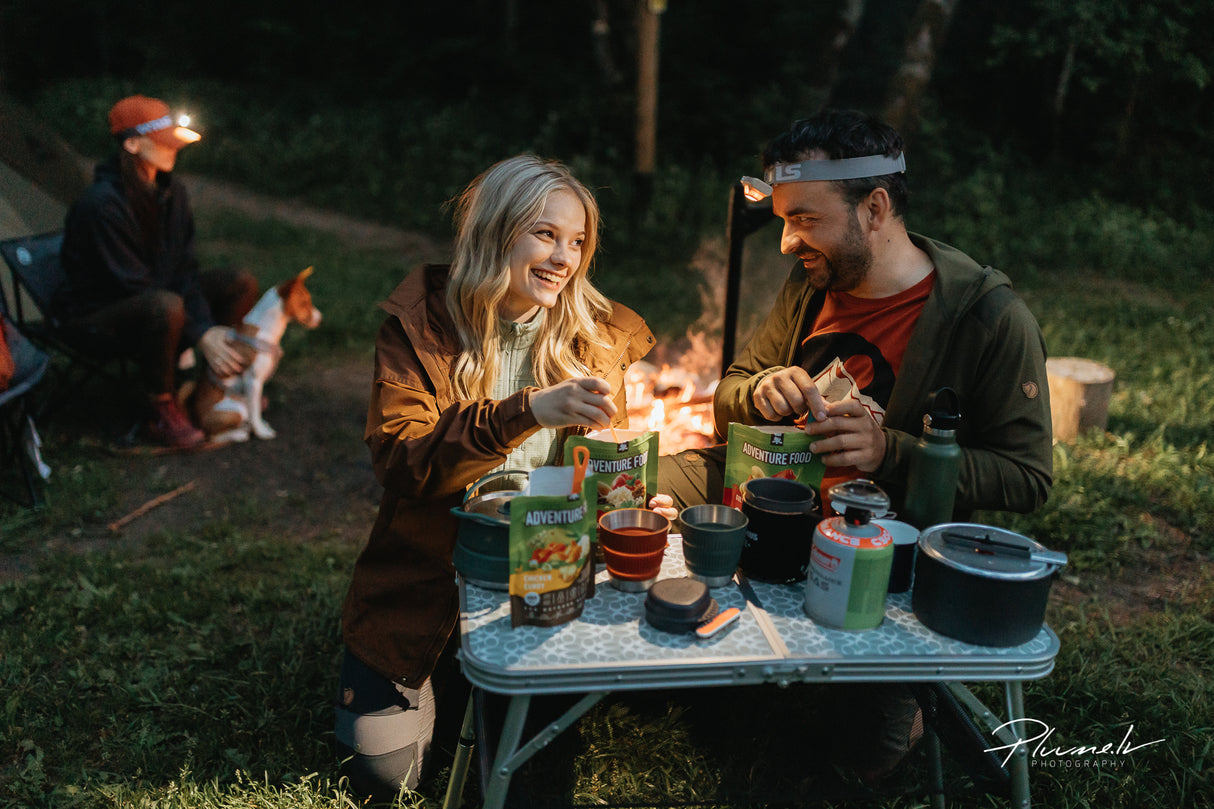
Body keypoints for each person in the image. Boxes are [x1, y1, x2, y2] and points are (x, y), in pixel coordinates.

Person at [659, 108, 1053, 781]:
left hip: (883, 550)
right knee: (630, 482)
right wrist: (759, 392)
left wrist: (891, 451)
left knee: (857, 764)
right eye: (783, 219)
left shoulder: (988, 317)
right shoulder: (813, 283)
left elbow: (1027, 479)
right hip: (777, 500)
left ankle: (905, 694)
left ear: (874, 208)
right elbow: (729, 394)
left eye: (804, 219)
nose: (786, 242)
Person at [336, 154, 676, 798]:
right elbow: (403, 463)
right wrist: (527, 410)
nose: (564, 258)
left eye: (577, 242)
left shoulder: (596, 338)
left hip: (540, 573)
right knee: (386, 779)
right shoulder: (422, 328)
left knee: (525, 779)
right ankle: (451, 674)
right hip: (429, 576)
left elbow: (601, 467)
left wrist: (623, 497)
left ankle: (500, 687)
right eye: (545, 234)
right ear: (495, 232)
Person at [58, 94, 258, 448]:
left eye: (175, 141)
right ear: (132, 143)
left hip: (155, 297)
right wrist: (199, 331)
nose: (174, 150)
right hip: (97, 316)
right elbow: (131, 284)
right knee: (164, 304)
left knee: (238, 282)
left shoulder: (170, 191)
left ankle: (208, 393)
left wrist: (207, 330)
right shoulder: (101, 205)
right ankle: (160, 408)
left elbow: (183, 267)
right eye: (163, 143)